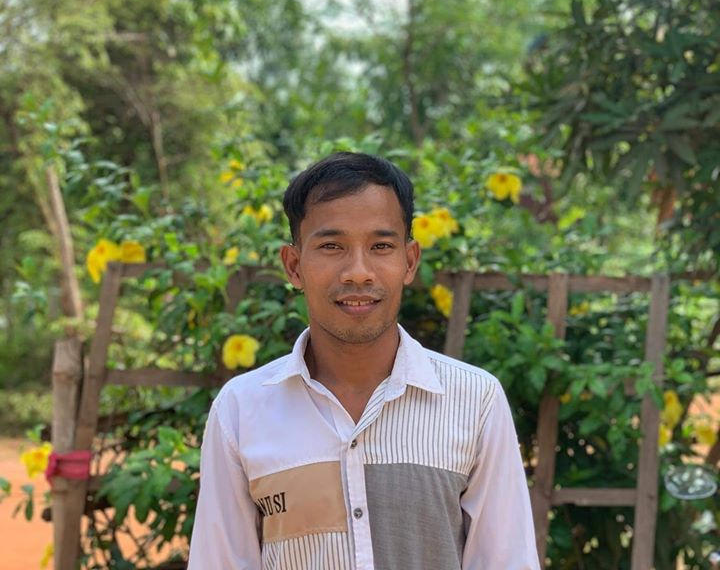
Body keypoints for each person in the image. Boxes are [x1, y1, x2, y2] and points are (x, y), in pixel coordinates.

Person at [188, 152, 539, 570]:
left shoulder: (475, 400)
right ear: (294, 266)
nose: (358, 272)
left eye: (381, 246)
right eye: (331, 246)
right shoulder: (241, 410)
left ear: (409, 261)